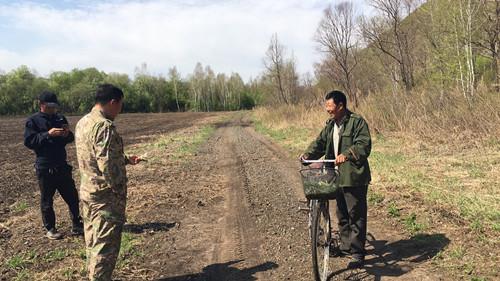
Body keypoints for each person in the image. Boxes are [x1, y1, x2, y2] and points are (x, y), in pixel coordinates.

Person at [75, 84, 141, 280]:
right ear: (113, 102)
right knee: (105, 248)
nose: (120, 110)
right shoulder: (104, 127)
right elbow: (109, 169)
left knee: (93, 243)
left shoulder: (84, 122)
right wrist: (120, 195)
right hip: (105, 199)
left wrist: (126, 159)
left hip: (89, 193)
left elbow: (96, 157)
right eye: (120, 105)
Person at [301, 90, 372, 269]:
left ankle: (357, 254)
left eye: (330, 107)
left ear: (341, 106)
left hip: (353, 177)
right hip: (336, 176)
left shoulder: (357, 122)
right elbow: (320, 142)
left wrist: (347, 155)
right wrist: (308, 154)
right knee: (341, 213)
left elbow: (364, 145)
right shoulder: (331, 125)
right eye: (326, 107)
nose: (327, 110)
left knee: (356, 214)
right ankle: (346, 246)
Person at [24, 91, 83, 240]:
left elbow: (70, 138)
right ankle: (50, 228)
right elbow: (29, 141)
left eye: (55, 106)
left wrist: (66, 134)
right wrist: (48, 134)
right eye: (50, 106)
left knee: (72, 196)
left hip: (62, 165)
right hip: (45, 167)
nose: (53, 109)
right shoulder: (33, 121)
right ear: (42, 105)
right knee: (47, 201)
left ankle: (77, 224)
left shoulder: (60, 118)